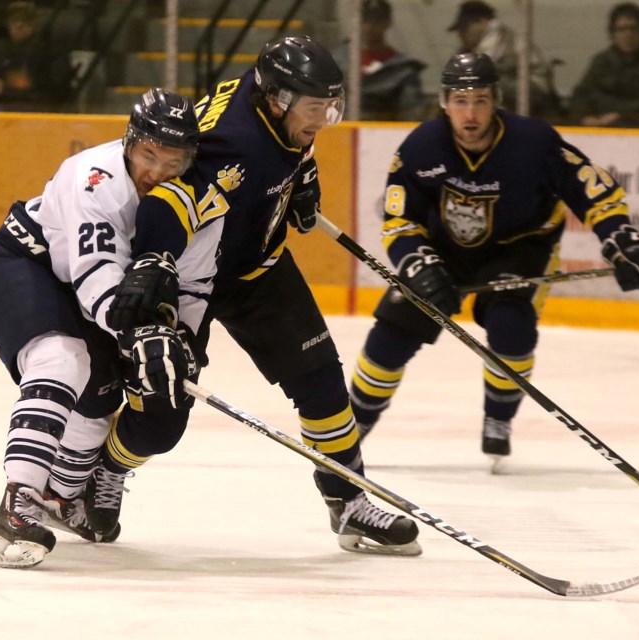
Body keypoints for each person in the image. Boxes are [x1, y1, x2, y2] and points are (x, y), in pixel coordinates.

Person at [93, 35, 422, 556]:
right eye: (316, 109)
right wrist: (154, 259)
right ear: (277, 100)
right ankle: (107, 471)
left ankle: (349, 501)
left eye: (330, 107)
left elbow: (295, 147)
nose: (324, 118)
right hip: (192, 280)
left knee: (321, 379)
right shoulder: (232, 139)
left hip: (258, 269)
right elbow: (167, 202)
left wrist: (302, 181)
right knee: (162, 408)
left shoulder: (273, 99)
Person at [348, 52, 639, 463]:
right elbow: (399, 221)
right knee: (390, 335)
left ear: (497, 99)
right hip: (444, 252)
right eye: (460, 101)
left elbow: (591, 189)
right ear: (443, 102)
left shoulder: (534, 142)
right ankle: (353, 425)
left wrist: (620, 240)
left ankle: (498, 418)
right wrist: (419, 263)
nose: (470, 113)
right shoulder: (420, 148)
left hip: (520, 248)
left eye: (479, 100)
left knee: (512, 328)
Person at [0, 88, 204, 568]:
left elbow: (196, 284)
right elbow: (96, 279)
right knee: (62, 359)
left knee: (101, 394)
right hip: (23, 265)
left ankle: (59, 497)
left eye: (172, 161)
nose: (156, 172)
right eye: (148, 155)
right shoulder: (95, 178)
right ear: (130, 143)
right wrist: (141, 336)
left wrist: (181, 341)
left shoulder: (196, 200)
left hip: (87, 293)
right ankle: (19, 503)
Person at [448, 0, 562, 120]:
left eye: (464, 28)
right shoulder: (467, 52)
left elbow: (538, 92)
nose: (460, 35)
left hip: (528, 112)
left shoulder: (514, 44)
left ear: (482, 22)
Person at [568, 2, 639, 129]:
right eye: (621, 29)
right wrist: (584, 118)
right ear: (612, 34)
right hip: (602, 128)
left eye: (634, 28)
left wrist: (622, 114)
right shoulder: (603, 61)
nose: (628, 35)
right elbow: (581, 95)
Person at [333, 0, 427, 121]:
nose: (370, 26)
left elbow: (411, 114)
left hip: (383, 135)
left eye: (377, 21)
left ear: (387, 23)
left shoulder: (403, 70)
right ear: (357, 22)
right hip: (339, 132)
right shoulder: (338, 61)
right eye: (366, 20)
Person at [0, 1, 73, 112]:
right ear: (8, 24)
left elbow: (51, 93)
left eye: (25, 20)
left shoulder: (52, 51)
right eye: (15, 20)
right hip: (0, 113)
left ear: (36, 24)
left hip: (37, 114)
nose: (19, 25)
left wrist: (4, 90)